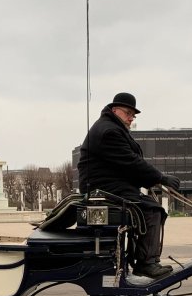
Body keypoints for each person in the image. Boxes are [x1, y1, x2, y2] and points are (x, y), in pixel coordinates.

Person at [77, 92, 181, 279]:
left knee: (147, 205)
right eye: (128, 113)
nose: (131, 118)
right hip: (104, 188)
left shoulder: (110, 127)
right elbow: (131, 162)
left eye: (133, 115)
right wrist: (161, 178)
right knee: (152, 210)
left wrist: (152, 180)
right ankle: (146, 263)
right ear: (114, 110)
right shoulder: (109, 131)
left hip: (108, 185)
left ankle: (140, 258)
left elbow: (127, 166)